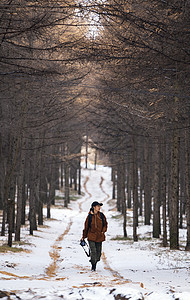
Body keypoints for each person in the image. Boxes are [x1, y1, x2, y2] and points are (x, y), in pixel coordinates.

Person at [81, 201, 108, 271]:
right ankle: (93, 266)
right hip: (91, 236)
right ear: (94, 207)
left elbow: (105, 224)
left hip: (99, 236)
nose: (99, 208)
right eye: (98, 206)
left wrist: (103, 231)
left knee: (98, 254)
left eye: (99, 206)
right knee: (93, 251)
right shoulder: (89, 217)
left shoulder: (101, 215)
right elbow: (86, 227)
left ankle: (94, 261)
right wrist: (83, 237)